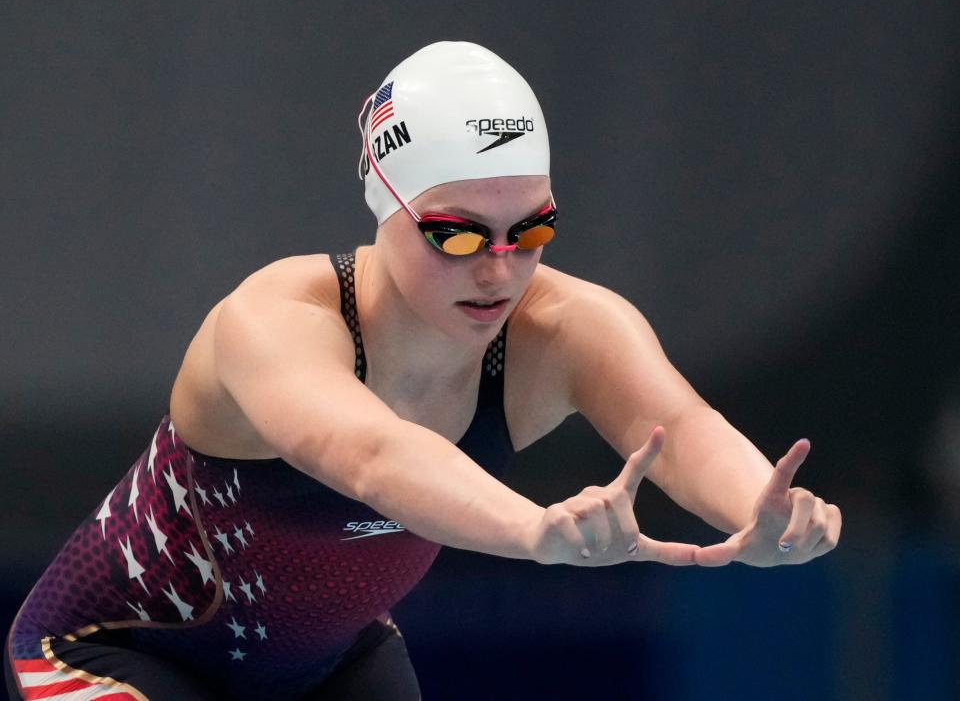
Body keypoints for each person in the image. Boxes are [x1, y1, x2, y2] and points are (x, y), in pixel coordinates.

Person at [5, 41, 841, 700]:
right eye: (459, 233)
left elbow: (682, 425)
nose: (501, 270)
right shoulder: (272, 320)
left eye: (531, 229)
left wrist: (759, 514)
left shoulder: (563, 327)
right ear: (385, 203)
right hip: (112, 650)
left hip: (330, 665)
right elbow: (374, 456)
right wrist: (535, 532)